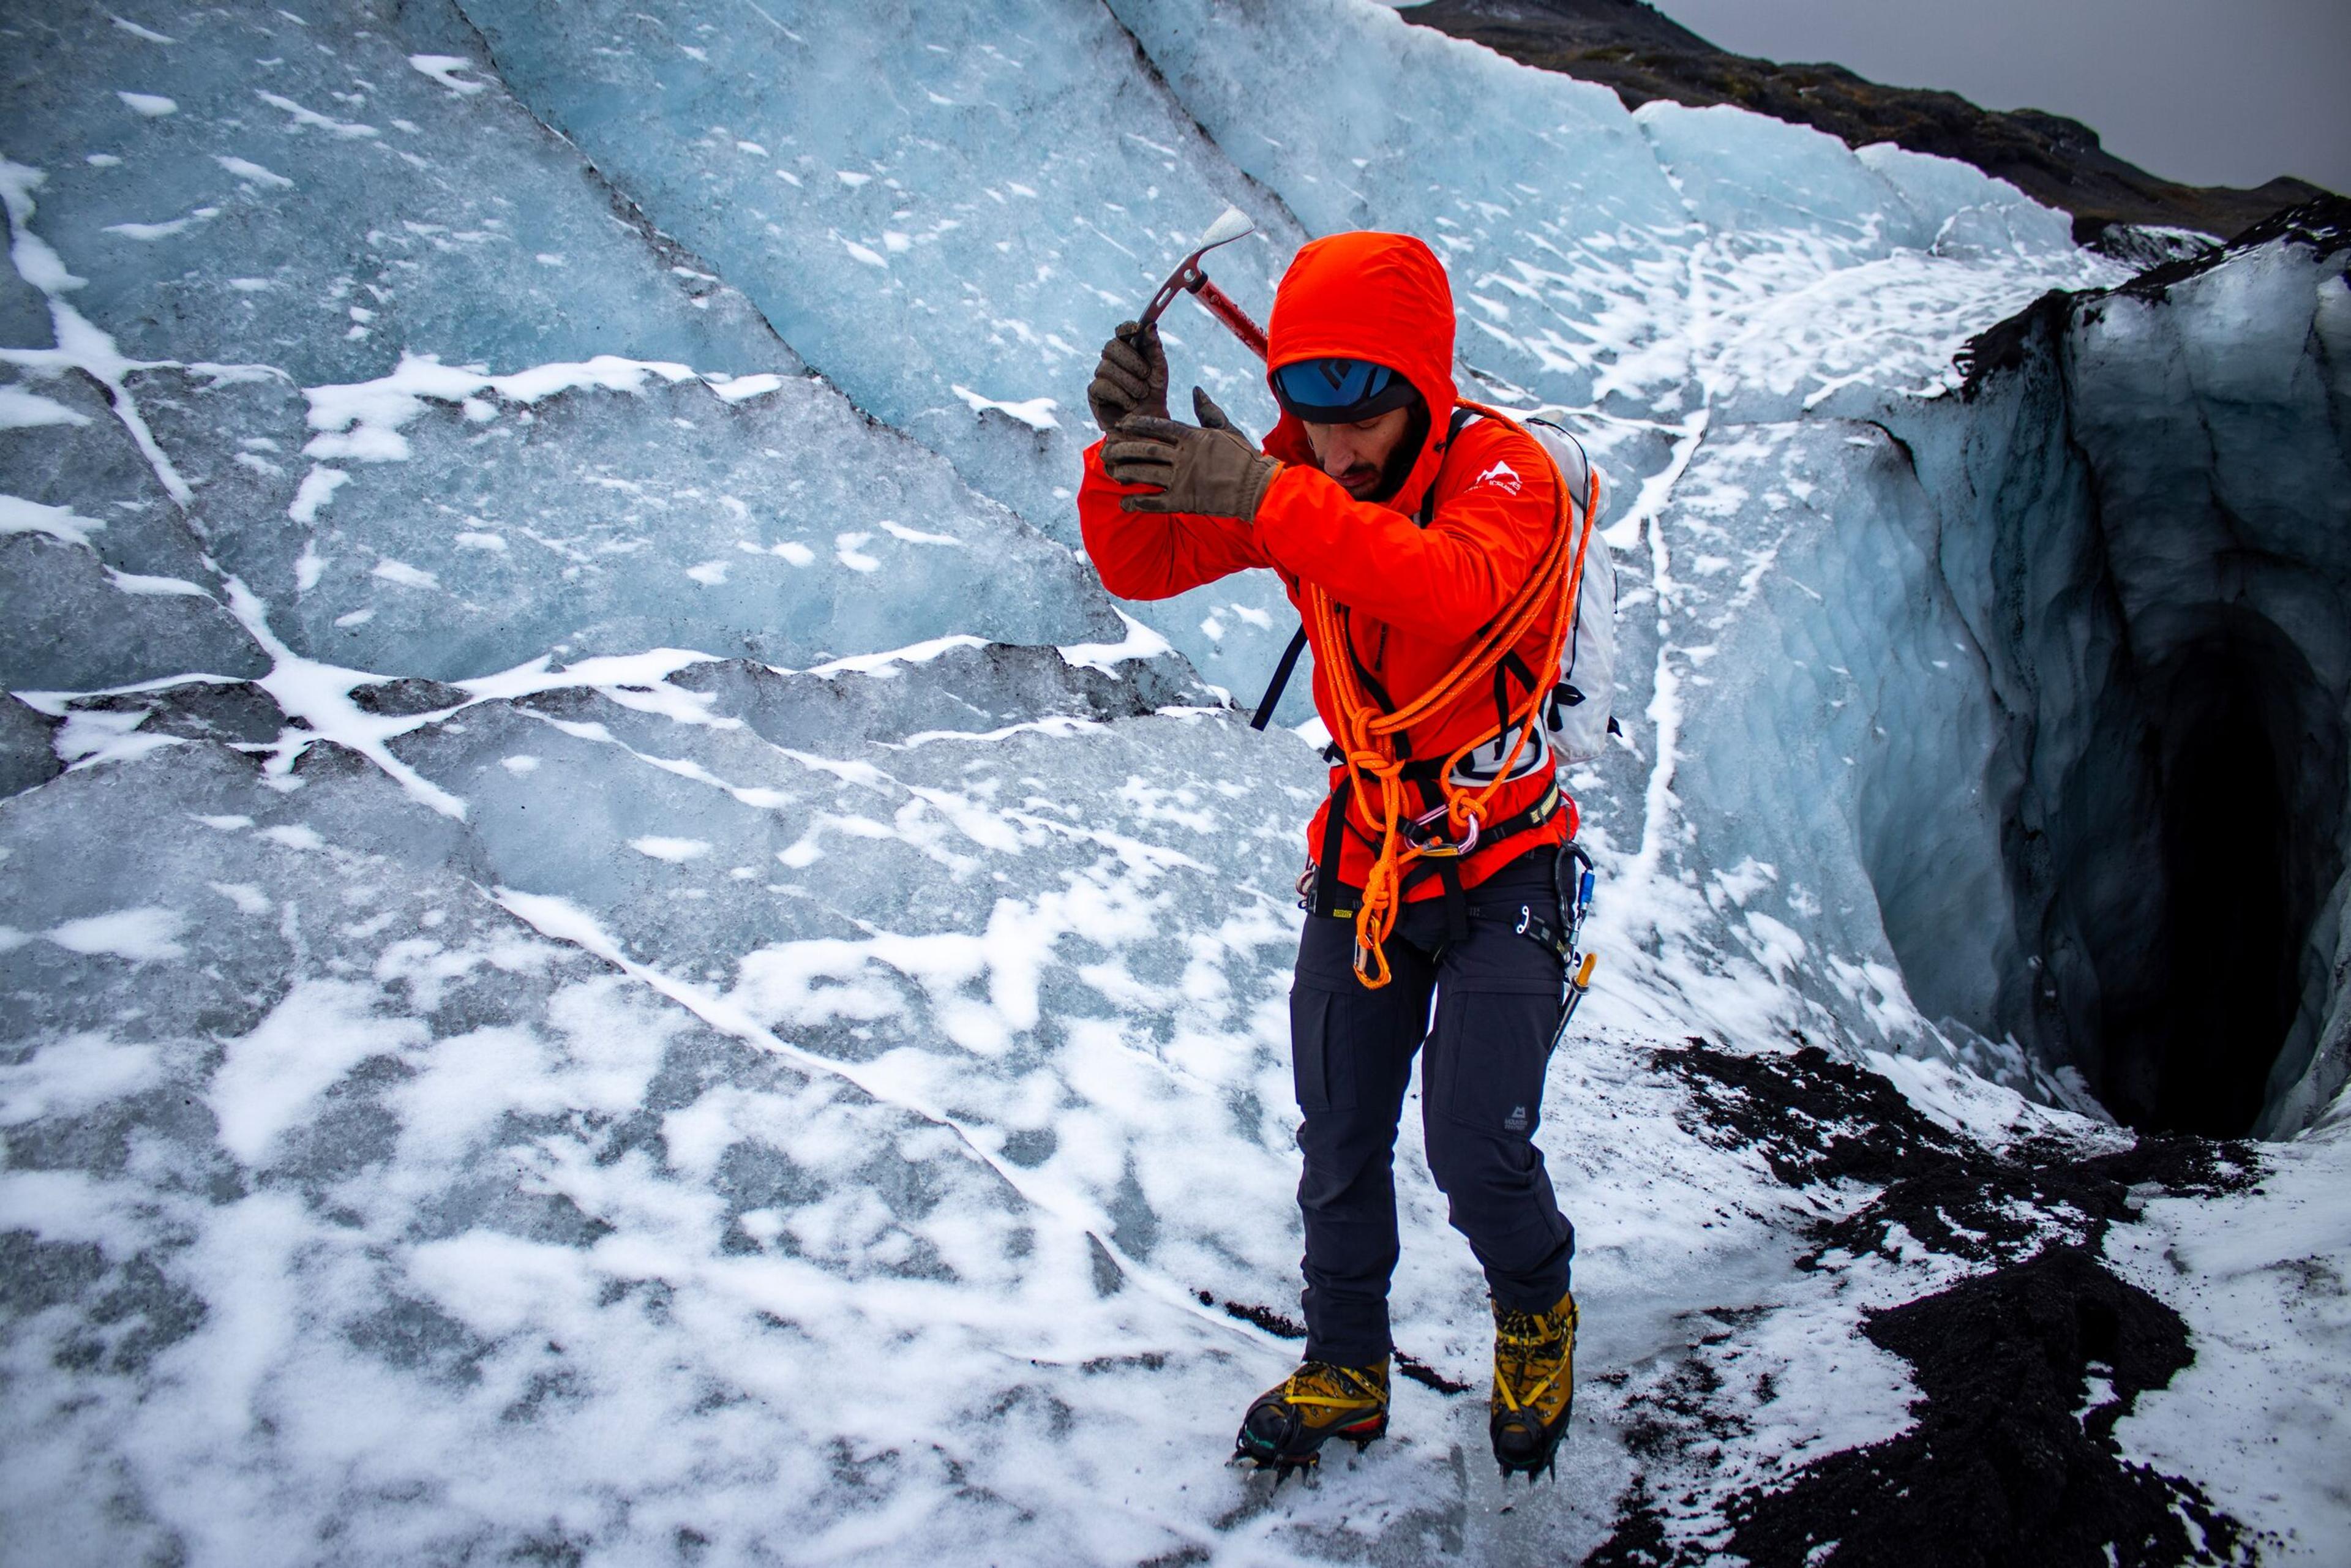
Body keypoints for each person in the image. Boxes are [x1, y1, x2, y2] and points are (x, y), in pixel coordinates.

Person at [1076, 231, 1599, 1480]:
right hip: (1368, 856)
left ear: (1424, 388)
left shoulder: (1509, 478)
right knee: (1342, 1133)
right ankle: (1347, 1367)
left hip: (1504, 857)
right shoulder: (1311, 477)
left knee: (1476, 1144)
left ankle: (1536, 1317)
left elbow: (1450, 588)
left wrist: (1268, 494)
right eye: (1306, 410)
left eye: (1362, 415)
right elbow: (1140, 562)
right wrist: (1126, 450)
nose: (1337, 445)